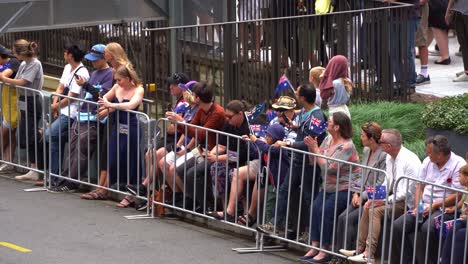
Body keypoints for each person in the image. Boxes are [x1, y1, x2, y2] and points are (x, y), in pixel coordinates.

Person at [257, 84, 327, 237]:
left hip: (308, 164)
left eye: (297, 93)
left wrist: (288, 143)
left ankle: (312, 233)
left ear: (302, 97)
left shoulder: (316, 117)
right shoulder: (305, 112)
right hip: (297, 161)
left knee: (310, 198)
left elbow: (311, 142)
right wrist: (294, 127)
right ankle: (275, 224)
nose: (295, 94)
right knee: (284, 190)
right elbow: (304, 132)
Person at [343, 128, 421, 263]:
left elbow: (403, 194)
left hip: (407, 203)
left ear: (388, 146)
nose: (379, 143)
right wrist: (375, 197)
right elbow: (386, 182)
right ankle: (359, 249)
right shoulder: (391, 157)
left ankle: (369, 254)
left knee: (375, 210)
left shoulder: (408, 161)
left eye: (381, 141)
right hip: (395, 197)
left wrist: (383, 201)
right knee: (368, 205)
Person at [391, 135, 466, 264]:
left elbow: (458, 194)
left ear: (441, 154)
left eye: (430, 153)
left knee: (428, 228)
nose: (427, 155)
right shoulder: (427, 161)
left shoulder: (458, 164)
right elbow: (419, 185)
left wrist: (435, 205)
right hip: (425, 205)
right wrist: (418, 205)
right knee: (398, 226)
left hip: (444, 208)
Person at [50, 44, 113, 194]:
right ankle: (65, 177)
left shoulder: (110, 74)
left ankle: (73, 180)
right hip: (82, 114)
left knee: (82, 149)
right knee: (72, 147)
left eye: (96, 60)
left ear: (104, 58)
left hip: (94, 117)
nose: (93, 62)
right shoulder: (94, 72)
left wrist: (85, 84)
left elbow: (101, 95)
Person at [300, 112, 360, 263]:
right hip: (327, 185)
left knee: (326, 211)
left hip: (344, 187)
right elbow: (314, 162)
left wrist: (315, 149)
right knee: (315, 208)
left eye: (330, 122)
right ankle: (314, 247)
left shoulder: (347, 146)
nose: (327, 124)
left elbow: (328, 167)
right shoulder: (328, 139)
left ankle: (324, 251)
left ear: (337, 127)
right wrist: (310, 148)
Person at [166, 82, 225, 212]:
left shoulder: (218, 113)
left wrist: (181, 122)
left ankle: (206, 205)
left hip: (215, 152)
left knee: (192, 172)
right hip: (202, 149)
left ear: (198, 98)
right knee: (179, 169)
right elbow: (192, 128)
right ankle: (191, 199)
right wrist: (180, 123)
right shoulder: (201, 110)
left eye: (194, 95)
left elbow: (202, 133)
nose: (192, 96)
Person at [335, 122, 387, 253]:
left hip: (374, 197)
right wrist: (356, 192)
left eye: (363, 135)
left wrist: (362, 195)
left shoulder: (383, 156)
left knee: (348, 219)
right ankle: (338, 253)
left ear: (371, 138)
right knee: (341, 218)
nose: (360, 137)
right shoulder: (366, 150)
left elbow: (380, 182)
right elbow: (361, 174)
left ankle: (348, 253)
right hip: (361, 194)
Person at [97, 64, 144, 207]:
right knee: (113, 159)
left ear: (129, 79)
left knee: (132, 161)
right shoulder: (117, 88)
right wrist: (105, 104)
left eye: (119, 80)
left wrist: (111, 106)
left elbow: (131, 105)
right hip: (117, 127)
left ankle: (130, 196)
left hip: (131, 128)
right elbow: (105, 97)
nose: (117, 83)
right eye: (116, 80)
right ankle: (114, 187)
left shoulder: (139, 89)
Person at [46, 43, 89, 187]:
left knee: (50, 134)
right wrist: (55, 104)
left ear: (70, 55)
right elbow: (60, 87)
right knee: (55, 140)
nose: (64, 55)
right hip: (62, 109)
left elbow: (72, 97)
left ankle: (56, 175)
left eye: (65, 52)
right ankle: (54, 175)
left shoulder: (81, 72)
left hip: (72, 112)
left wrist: (55, 106)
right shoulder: (66, 68)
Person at [0, 39, 44, 181]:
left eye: (14, 52)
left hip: (32, 100)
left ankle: (35, 167)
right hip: (23, 101)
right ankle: (33, 167)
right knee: (24, 135)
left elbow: (24, 81)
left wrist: (5, 79)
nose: (13, 55)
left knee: (29, 136)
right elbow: (19, 79)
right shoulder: (24, 63)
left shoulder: (35, 64)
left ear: (20, 52)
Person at [206, 100, 252, 220]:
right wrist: (211, 154)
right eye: (226, 116)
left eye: (230, 117)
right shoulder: (228, 124)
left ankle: (244, 211)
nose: (228, 119)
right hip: (229, 159)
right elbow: (221, 145)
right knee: (216, 168)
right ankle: (225, 207)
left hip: (245, 161)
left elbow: (241, 155)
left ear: (240, 114)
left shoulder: (248, 128)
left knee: (233, 174)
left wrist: (218, 158)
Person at [441, 164, 468, 264]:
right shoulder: (465, 190)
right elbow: (461, 202)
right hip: (464, 218)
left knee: (461, 234)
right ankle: (445, 260)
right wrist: (453, 209)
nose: (458, 178)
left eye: (460, 176)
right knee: (454, 228)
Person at [0, 44, 21, 172]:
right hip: (6, 102)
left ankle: (8, 161)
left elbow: (3, 76)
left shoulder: (13, 62)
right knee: (10, 133)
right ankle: (9, 162)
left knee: (5, 131)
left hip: (14, 103)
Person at [446, 0, 468, 82]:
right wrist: (450, 8)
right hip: (460, 8)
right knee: (463, 41)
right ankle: (467, 69)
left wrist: (449, 9)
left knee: (464, 41)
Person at [428, 0, 451, 65]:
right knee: (433, 27)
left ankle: (445, 56)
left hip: (437, 5)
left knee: (437, 27)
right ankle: (422, 49)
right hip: (445, 4)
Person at [415, 0, 431, 86]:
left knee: (421, 40)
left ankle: (424, 74)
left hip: (419, 7)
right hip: (406, 7)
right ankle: (411, 72)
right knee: (408, 41)